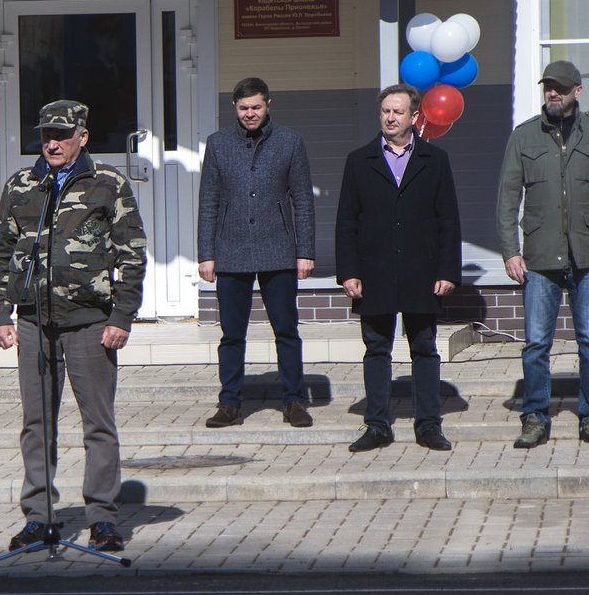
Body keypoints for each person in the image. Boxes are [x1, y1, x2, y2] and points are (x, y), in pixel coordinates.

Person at [0, 100, 146, 554]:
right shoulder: (22, 184)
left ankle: (102, 519)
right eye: (45, 135)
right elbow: (1, 252)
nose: (52, 143)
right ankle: (39, 517)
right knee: (36, 424)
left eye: (61, 134)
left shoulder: (107, 184)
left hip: (90, 323)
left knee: (98, 423)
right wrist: (1, 314)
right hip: (35, 321)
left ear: (83, 135)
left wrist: (122, 317)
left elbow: (132, 252)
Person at [495, 60, 589, 449]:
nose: (552, 93)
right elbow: (507, 199)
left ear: (578, 91)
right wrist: (510, 251)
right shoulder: (524, 137)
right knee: (537, 342)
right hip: (539, 258)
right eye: (548, 87)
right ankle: (535, 416)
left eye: (560, 87)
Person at [337, 84, 462, 454]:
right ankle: (377, 424)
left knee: (424, 347)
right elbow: (347, 221)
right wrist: (349, 271)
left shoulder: (434, 160)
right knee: (376, 349)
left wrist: (447, 271)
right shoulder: (359, 161)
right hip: (374, 271)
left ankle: (428, 424)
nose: (390, 118)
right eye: (385, 112)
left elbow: (448, 221)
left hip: (421, 271)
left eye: (398, 112)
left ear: (414, 117)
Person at [197, 77, 316, 429]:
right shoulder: (218, 144)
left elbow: (303, 201)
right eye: (243, 108)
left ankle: (294, 400)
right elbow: (209, 202)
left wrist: (304, 251)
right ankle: (230, 402)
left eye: (256, 107)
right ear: (234, 108)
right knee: (232, 333)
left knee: (286, 330)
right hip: (231, 250)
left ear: (268, 105)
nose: (250, 113)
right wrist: (207, 253)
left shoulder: (290, 142)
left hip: (278, 248)